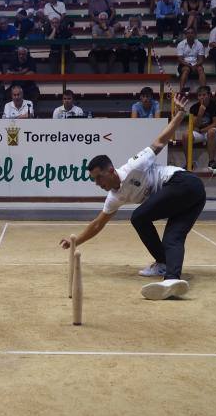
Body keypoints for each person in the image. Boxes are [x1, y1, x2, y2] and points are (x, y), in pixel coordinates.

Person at [59, 93, 204, 299]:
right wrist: (75, 242)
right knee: (173, 238)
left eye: (98, 178)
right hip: (188, 198)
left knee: (138, 217)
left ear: (110, 170)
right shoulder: (114, 197)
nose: (97, 184)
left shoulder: (134, 165)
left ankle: (165, 268)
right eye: (94, 180)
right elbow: (98, 224)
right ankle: (171, 278)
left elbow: (161, 140)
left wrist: (180, 112)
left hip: (185, 184)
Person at [187, 86, 216, 169]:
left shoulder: (215, 104)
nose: (202, 97)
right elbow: (195, 126)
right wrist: (200, 113)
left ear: (209, 95)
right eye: (199, 95)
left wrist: (201, 130)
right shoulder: (194, 108)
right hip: (200, 132)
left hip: (214, 132)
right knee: (186, 135)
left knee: (211, 132)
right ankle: (188, 163)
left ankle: (211, 161)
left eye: (204, 95)